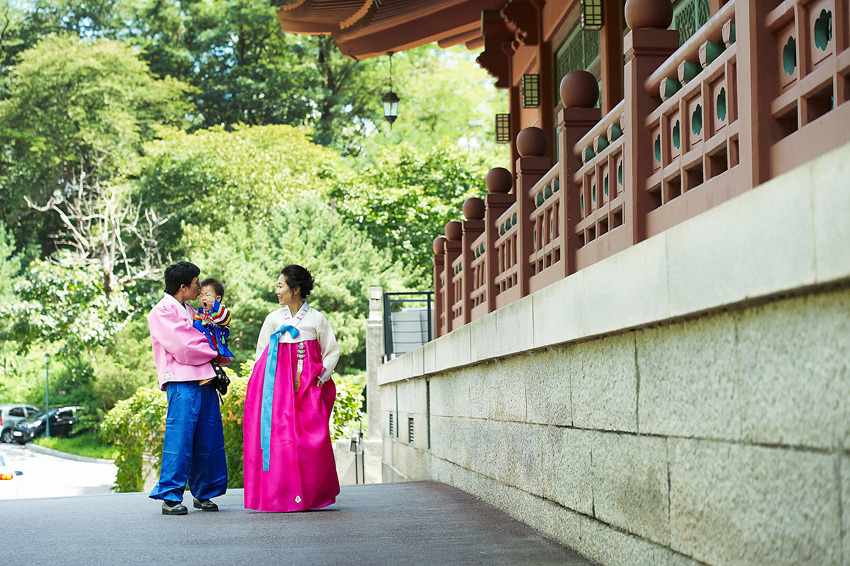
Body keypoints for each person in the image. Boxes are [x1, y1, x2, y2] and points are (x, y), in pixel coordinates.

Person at [243, 265, 341, 512]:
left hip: (307, 387)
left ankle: (310, 495)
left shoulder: (316, 319)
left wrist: (321, 377)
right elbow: (261, 356)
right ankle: (281, 495)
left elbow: (332, 351)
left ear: (296, 289)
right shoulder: (274, 319)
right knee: (281, 442)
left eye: (280, 285)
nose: (277, 290)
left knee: (311, 440)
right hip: (278, 391)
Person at [147, 261, 228, 515]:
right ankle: (171, 496)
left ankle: (203, 493)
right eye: (196, 284)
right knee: (179, 439)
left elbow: (210, 332)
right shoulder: (160, 312)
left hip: (204, 379)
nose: (199, 288)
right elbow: (183, 347)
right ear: (183, 287)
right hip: (182, 382)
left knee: (208, 437)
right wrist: (214, 350)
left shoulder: (190, 310)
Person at [193, 278, 235, 387]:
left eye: (207, 295)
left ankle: (218, 376)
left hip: (216, 342)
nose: (203, 298)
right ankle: (214, 376)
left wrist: (216, 305)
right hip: (204, 344)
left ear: (218, 298)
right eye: (201, 295)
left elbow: (225, 318)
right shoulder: (200, 312)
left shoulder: (220, 310)